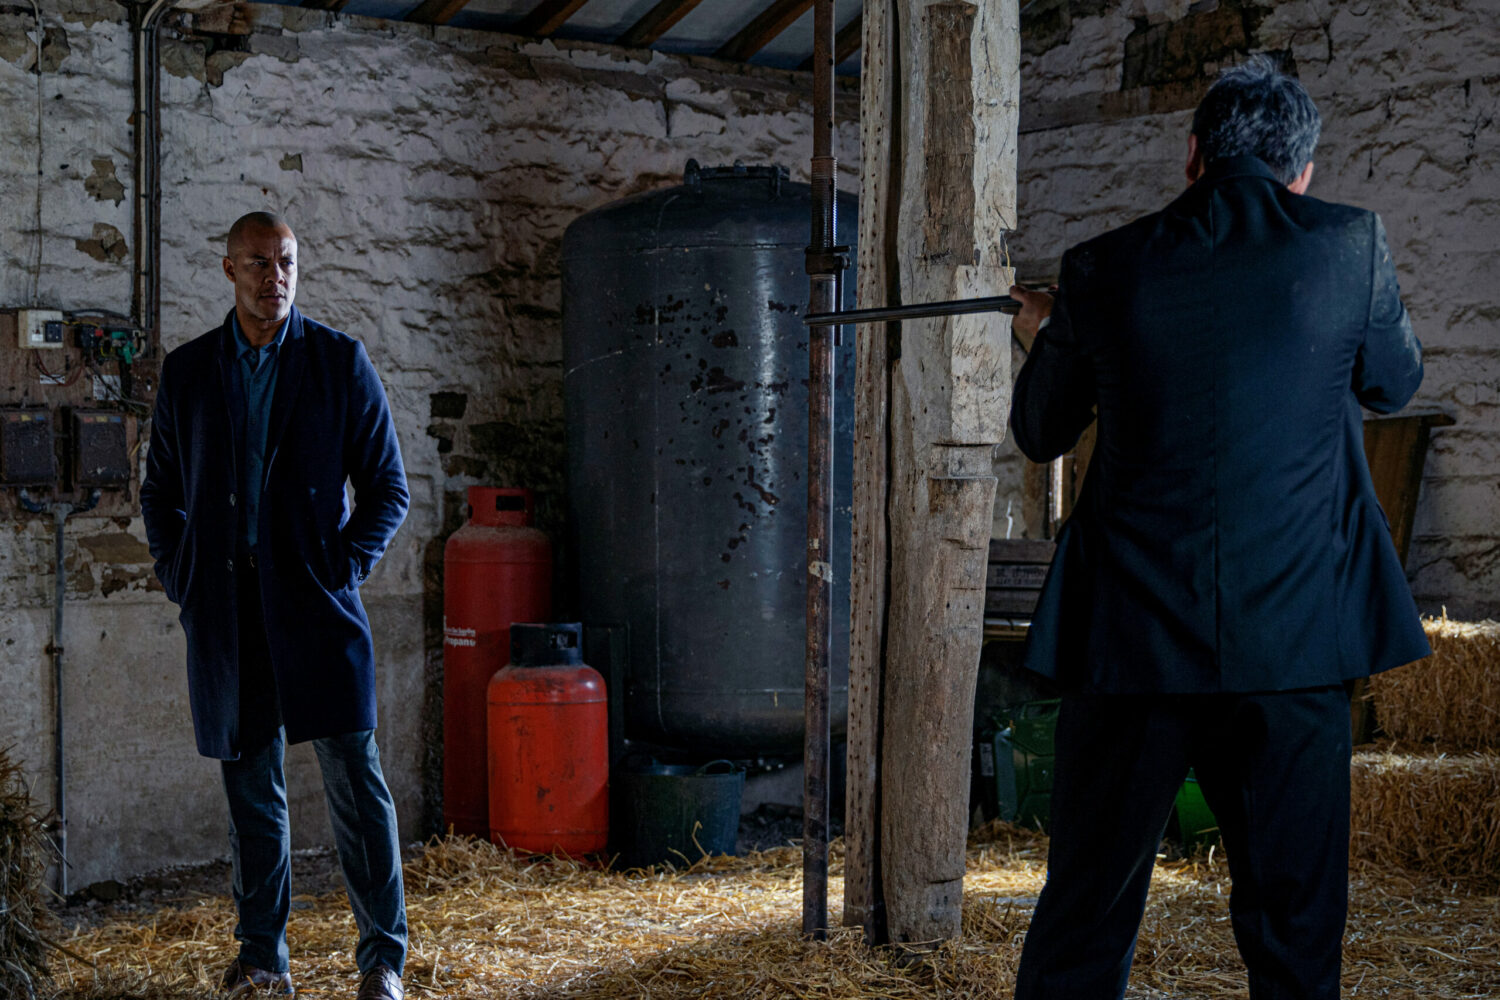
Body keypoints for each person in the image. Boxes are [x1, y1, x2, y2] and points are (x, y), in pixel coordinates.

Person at [1006, 56, 1429, 1000]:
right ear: (1303, 171)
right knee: (1295, 921)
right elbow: (1394, 384)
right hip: (1293, 647)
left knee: (1086, 912)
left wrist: (1051, 330)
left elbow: (1039, 434)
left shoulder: (1102, 267)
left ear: (1192, 155)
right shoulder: (1351, 246)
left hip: (1132, 648)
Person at [142, 212, 411, 1000]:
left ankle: (383, 962)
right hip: (227, 611)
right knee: (251, 787)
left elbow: (387, 488)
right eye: (259, 264)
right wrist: (180, 574)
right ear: (229, 270)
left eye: (286, 262)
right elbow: (159, 491)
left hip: (318, 609)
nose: (276, 278)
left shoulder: (337, 362)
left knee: (356, 786)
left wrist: (342, 566)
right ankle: (263, 959)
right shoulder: (191, 372)